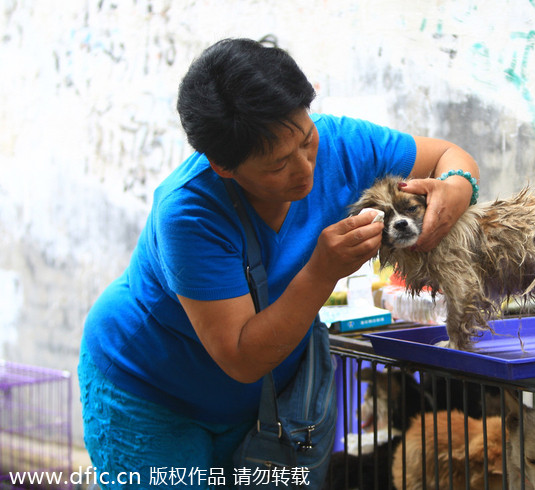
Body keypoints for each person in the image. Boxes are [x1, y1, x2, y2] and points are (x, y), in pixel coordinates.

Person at [78, 37, 479, 488]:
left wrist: (459, 186)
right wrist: (323, 271)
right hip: (152, 391)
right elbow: (243, 357)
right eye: (277, 165)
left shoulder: (341, 143)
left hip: (263, 399)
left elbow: (448, 156)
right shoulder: (189, 214)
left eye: (306, 140)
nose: (306, 169)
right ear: (223, 166)